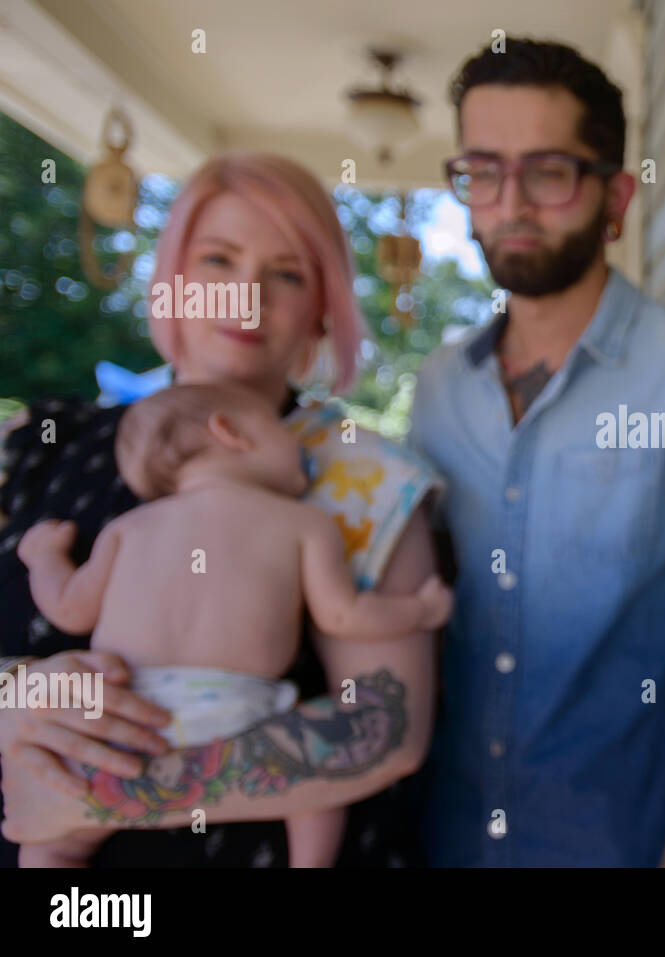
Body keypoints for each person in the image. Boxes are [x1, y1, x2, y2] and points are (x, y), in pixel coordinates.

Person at [0, 152, 444, 867]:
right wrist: (13, 695)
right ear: (172, 280)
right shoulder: (36, 445)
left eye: (287, 273)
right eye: (218, 260)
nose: (247, 296)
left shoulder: (364, 476)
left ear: (322, 310)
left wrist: (100, 795)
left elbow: (385, 728)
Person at [409, 38, 665, 866]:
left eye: (547, 171)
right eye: (482, 171)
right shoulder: (438, 388)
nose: (511, 203)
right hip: (446, 835)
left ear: (614, 196)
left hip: (622, 841)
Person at [15, 383, 453, 867]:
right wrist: (420, 610)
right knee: (317, 800)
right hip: (239, 711)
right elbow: (344, 615)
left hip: (127, 717)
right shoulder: (303, 523)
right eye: (285, 436)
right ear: (231, 431)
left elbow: (70, 610)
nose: (303, 453)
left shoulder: (128, 528)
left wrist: (44, 559)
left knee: (49, 839)